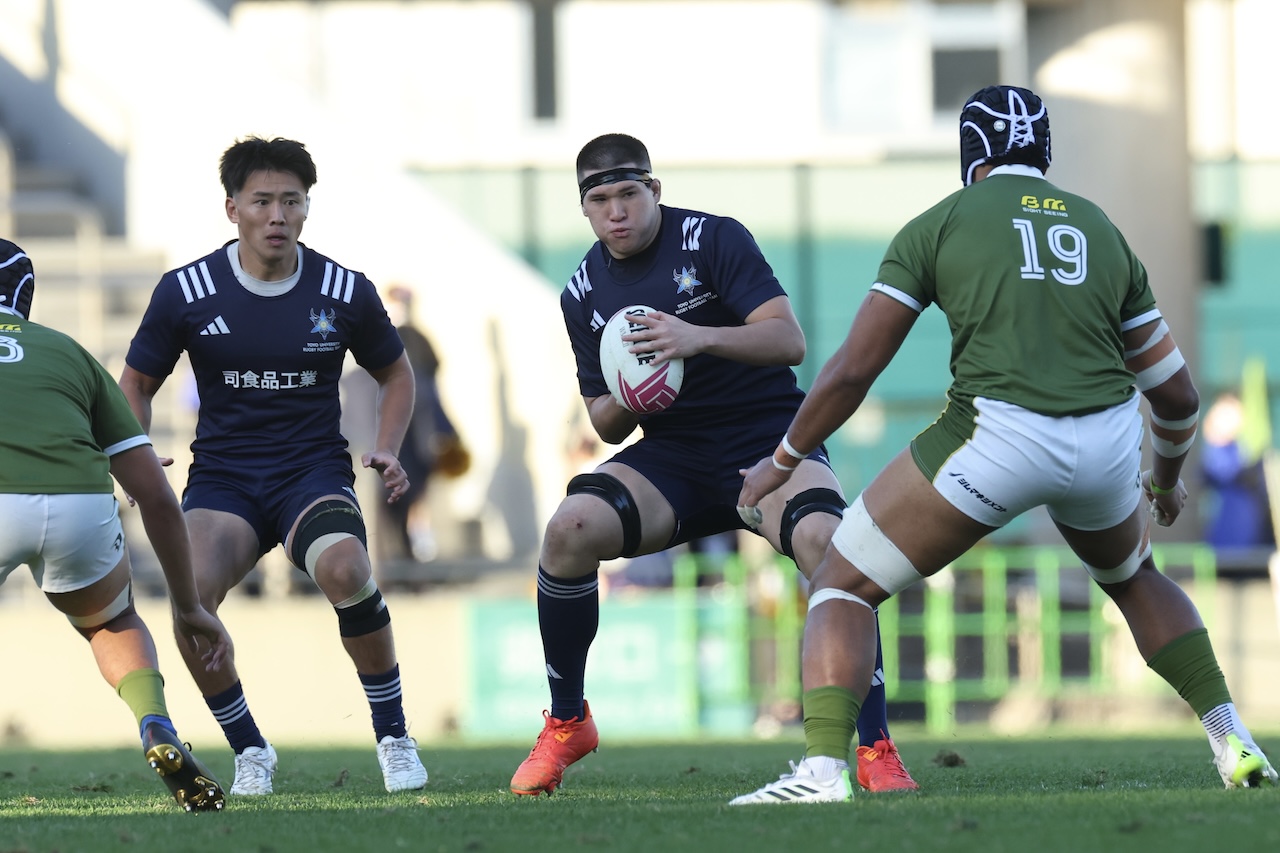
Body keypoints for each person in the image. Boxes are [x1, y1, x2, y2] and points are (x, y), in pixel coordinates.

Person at [730, 85, 1277, 804]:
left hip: (998, 437)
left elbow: (854, 370)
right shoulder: (1100, 227)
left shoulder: (943, 221)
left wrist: (780, 463)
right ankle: (1233, 738)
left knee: (841, 580)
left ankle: (823, 772)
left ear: (971, 152)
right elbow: (1176, 395)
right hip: (1108, 442)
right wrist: (1167, 478)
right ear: (1044, 150)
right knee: (1135, 576)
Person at [508, 133, 917, 797]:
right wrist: (634, 385)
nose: (617, 211)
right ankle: (566, 721)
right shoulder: (581, 290)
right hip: (673, 455)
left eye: (629, 194)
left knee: (830, 544)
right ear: (584, 207)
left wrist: (694, 337)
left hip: (766, 441)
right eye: (601, 199)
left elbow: (788, 339)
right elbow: (603, 419)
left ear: (654, 191)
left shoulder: (713, 239)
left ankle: (874, 745)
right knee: (569, 529)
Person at [117, 136, 428, 795]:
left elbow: (396, 374)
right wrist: (134, 455)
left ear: (307, 209)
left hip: (311, 475)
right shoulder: (188, 290)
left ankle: (394, 735)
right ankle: (250, 747)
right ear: (233, 209)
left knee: (347, 567)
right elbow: (135, 383)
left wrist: (389, 445)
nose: (279, 214)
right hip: (225, 481)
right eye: (263, 200)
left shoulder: (343, 289)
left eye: (293, 200)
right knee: (190, 596)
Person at [0, 239, 233, 812]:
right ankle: (155, 724)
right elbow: (153, 492)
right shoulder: (67, 353)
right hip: (80, 501)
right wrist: (189, 606)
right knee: (110, 622)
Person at [1201, 392, 1275, 555]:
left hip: (1254, 537)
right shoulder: (1215, 452)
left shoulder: (1241, 448)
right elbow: (1222, 473)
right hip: (1225, 539)